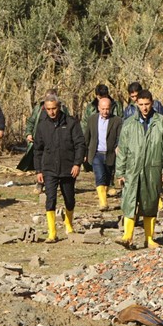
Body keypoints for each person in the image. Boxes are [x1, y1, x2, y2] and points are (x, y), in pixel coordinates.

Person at [115, 90, 163, 249]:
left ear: (152, 103)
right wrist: (120, 172)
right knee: (129, 201)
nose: (144, 108)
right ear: (136, 104)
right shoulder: (129, 123)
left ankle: (149, 239)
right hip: (132, 169)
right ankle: (127, 237)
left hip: (153, 169)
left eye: (147, 104)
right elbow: (122, 150)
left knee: (150, 203)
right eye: (141, 104)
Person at [33, 94, 86, 243]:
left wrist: (77, 163)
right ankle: (52, 233)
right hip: (49, 168)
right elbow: (37, 149)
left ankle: (69, 224)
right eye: (48, 109)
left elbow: (80, 144)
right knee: (50, 199)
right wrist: (38, 170)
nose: (52, 112)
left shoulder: (71, 123)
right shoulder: (42, 125)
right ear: (45, 108)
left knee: (69, 199)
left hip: (68, 168)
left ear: (59, 107)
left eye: (54, 108)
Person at [17, 89, 70, 194]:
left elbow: (68, 123)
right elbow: (31, 121)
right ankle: (40, 183)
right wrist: (28, 133)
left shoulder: (63, 109)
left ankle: (57, 184)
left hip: (57, 140)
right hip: (40, 139)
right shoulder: (39, 108)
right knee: (41, 162)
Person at [84, 97, 123, 211]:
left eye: (107, 109)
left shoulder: (117, 120)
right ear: (98, 108)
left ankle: (104, 194)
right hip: (96, 153)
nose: (105, 111)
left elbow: (120, 137)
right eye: (103, 109)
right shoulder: (92, 119)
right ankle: (103, 202)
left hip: (110, 154)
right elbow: (87, 137)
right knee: (99, 176)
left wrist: (118, 146)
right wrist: (84, 152)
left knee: (107, 178)